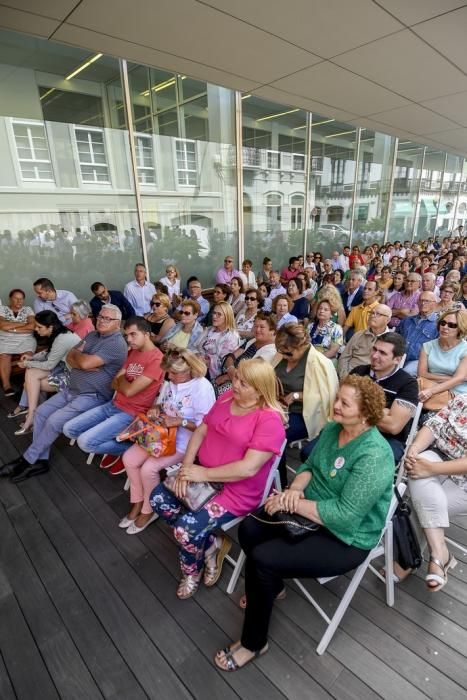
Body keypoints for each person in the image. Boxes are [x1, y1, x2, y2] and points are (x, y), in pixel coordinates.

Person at [214, 375, 393, 671]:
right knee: (249, 528)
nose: (335, 405)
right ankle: (273, 588)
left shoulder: (374, 456)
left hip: (346, 536)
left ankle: (253, 643)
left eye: (344, 403)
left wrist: (291, 501)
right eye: (337, 398)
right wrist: (294, 489)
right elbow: (309, 466)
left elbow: (345, 515)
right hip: (309, 508)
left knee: (263, 560)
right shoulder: (335, 427)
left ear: (365, 414)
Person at [149, 358, 286, 599]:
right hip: (202, 475)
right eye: (236, 378)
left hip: (234, 492)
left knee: (185, 531)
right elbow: (202, 430)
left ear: (260, 390)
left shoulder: (269, 420)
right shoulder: (226, 399)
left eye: (244, 383)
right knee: (159, 498)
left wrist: (202, 473)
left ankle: (192, 570)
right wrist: (187, 467)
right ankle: (211, 544)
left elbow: (248, 469)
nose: (235, 384)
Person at [0, 304, 128, 483]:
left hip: (92, 395)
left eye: (108, 318)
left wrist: (80, 359)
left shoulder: (116, 343)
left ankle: (26, 459)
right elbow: (70, 356)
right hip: (72, 389)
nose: (102, 320)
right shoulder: (92, 335)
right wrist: (79, 358)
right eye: (100, 316)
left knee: (54, 421)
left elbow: (82, 363)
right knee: (41, 413)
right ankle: (41, 461)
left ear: (118, 323)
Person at [121, 350, 216, 534]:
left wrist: (180, 421)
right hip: (160, 436)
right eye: (168, 372)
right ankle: (137, 500)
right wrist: (155, 409)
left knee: (148, 469)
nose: (169, 377)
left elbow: (206, 428)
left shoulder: (202, 388)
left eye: (173, 373)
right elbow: (161, 403)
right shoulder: (171, 382)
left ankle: (149, 510)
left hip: (184, 443)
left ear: (188, 370)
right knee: (129, 459)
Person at [63, 316, 164, 475]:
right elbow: (113, 383)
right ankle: (118, 443)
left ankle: (128, 449)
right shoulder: (133, 353)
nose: (128, 339)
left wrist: (122, 381)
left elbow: (129, 390)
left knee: (85, 442)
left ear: (147, 334)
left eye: (133, 334)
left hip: (131, 414)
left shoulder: (157, 359)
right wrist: (124, 382)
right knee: (68, 429)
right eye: (126, 335)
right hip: (113, 404)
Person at [403, 395, 467, 591]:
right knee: (417, 467)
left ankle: (407, 560)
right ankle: (439, 554)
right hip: (438, 456)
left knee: (421, 502)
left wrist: (431, 469)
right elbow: (433, 426)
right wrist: (414, 450)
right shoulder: (462, 400)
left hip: (463, 483)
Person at [274, 324, 338, 487]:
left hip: (303, 414)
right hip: (278, 407)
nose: (284, 356)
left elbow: (325, 397)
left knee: (276, 437)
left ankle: (278, 483)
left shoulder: (320, 363)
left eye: (289, 353)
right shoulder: (282, 355)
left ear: (302, 346)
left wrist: (296, 396)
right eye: (282, 352)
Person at [9, 311, 81, 435]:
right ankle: (35, 415)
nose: (36, 329)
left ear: (51, 327)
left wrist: (27, 363)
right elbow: (49, 353)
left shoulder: (62, 338)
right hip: (62, 368)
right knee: (31, 379)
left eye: (39, 327)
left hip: (73, 378)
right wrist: (32, 358)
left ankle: (33, 416)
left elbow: (49, 365)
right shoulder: (60, 333)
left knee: (30, 384)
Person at [351, 333, 419, 461]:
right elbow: (339, 405)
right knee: (309, 452)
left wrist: (355, 407)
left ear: (397, 360)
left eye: (382, 353)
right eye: (374, 349)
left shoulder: (408, 384)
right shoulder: (358, 371)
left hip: (387, 439)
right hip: (351, 428)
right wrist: (383, 411)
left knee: (366, 465)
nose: (375, 355)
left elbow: (393, 426)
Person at [212, 313, 277, 394]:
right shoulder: (253, 341)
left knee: (210, 394)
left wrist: (228, 375)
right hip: (229, 376)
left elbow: (248, 374)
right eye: (256, 326)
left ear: (272, 331)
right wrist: (230, 370)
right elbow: (231, 357)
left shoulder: (271, 351)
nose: (257, 330)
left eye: (262, 327)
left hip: (243, 388)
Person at [418, 306, 467, 404]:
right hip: (429, 386)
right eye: (443, 323)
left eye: (452, 325)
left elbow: (458, 379)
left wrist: (431, 391)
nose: (445, 327)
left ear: (460, 328)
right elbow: (422, 374)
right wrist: (451, 378)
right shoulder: (428, 346)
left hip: (457, 392)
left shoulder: (465, 349)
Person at [338, 304, 391, 379]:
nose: (373, 316)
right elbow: (344, 357)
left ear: (387, 320)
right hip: (349, 375)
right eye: (371, 313)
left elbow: (388, 369)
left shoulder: (390, 342)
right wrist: (344, 376)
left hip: (370, 381)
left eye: (378, 314)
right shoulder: (359, 334)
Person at [0, 288, 36, 396]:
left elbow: (32, 326)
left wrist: (11, 327)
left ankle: (29, 383)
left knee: (28, 355)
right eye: (16, 298)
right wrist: (24, 324)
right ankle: (6, 385)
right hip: (5, 339)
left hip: (26, 338)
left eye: (21, 299)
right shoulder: (2, 309)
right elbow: (1, 325)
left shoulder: (28, 309)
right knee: (4, 356)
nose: (19, 301)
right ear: (10, 299)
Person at [195, 301, 240, 381]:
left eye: (219, 314)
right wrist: (198, 356)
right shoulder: (209, 330)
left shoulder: (231, 336)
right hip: (199, 366)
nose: (214, 316)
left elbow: (225, 362)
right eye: (214, 313)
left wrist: (206, 360)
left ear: (227, 317)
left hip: (214, 375)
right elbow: (196, 346)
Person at [397, 292, 438, 376]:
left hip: (419, 361)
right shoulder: (407, 320)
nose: (423, 303)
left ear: (434, 304)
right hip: (399, 356)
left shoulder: (439, 325)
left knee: (405, 373)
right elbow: (395, 338)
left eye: (427, 301)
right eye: (421, 300)